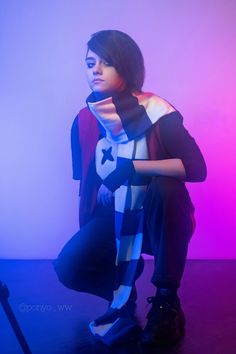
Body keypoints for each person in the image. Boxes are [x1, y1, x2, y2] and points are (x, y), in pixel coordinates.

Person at [53, 30, 207, 346]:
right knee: (68, 267)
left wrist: (136, 168)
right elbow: (87, 189)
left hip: (157, 215)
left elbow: (197, 169)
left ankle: (166, 302)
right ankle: (122, 293)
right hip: (114, 217)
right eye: (90, 62)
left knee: (165, 187)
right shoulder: (83, 120)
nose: (95, 70)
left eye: (106, 63)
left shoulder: (158, 111)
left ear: (127, 67)